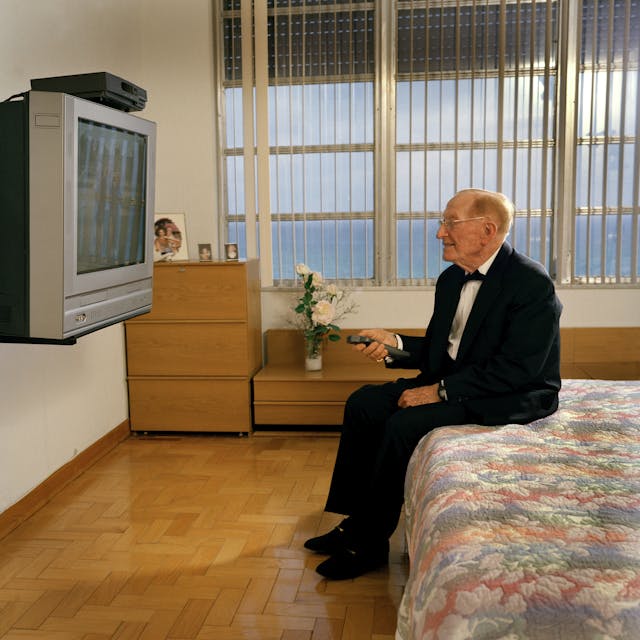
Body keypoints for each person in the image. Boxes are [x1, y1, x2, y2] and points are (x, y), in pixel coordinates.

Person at [304, 188, 563, 580]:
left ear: (487, 230)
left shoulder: (531, 284)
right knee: (363, 403)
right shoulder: (450, 280)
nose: (439, 232)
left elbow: (517, 370)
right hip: (462, 379)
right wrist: (395, 344)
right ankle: (353, 521)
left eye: (449, 223)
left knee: (402, 424)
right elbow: (443, 351)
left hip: (510, 394)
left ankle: (369, 542)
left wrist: (438, 392)